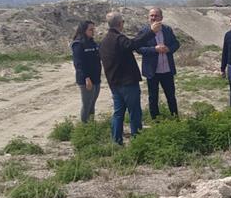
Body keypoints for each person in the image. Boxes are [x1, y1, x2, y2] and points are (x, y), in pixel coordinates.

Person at [98, 11, 163, 144]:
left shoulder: (104, 41)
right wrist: (150, 32)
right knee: (135, 112)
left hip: (114, 83)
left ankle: (116, 141)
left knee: (118, 113)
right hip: (127, 83)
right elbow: (133, 44)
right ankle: (137, 140)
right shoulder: (119, 39)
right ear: (120, 23)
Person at [134, 7, 181, 118]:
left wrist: (168, 49)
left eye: (156, 15)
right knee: (153, 97)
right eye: (152, 16)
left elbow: (176, 44)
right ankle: (155, 120)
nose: (154, 18)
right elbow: (138, 48)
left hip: (167, 70)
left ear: (161, 18)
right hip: (152, 71)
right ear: (148, 17)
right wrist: (154, 49)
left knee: (171, 96)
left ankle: (175, 118)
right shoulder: (144, 31)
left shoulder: (167, 30)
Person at [70, 20, 101, 123]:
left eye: (93, 29)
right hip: (86, 80)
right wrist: (86, 78)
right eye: (90, 29)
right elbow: (78, 64)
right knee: (87, 104)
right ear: (84, 30)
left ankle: (91, 126)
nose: (93, 31)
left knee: (92, 103)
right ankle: (84, 128)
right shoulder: (78, 44)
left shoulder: (92, 42)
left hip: (96, 78)